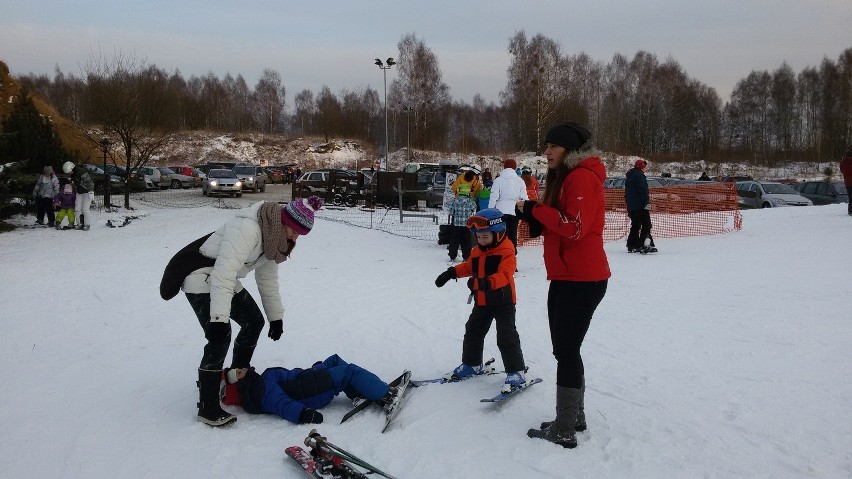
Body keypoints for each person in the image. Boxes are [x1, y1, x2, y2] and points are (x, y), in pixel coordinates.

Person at [159, 196, 324, 427]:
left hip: (222, 277)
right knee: (220, 335)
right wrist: (218, 319)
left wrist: (275, 317)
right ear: (285, 221)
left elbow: (267, 279)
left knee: (254, 321)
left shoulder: (274, 240)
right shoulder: (248, 229)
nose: (295, 238)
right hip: (200, 275)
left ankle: (235, 377)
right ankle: (207, 406)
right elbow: (223, 273)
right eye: (295, 232)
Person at [515, 121, 611, 449]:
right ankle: (574, 417)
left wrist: (535, 209)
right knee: (565, 350)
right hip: (566, 276)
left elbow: (574, 229)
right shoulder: (567, 177)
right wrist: (532, 216)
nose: (546, 152)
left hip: (582, 279)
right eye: (546, 146)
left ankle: (565, 428)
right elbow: (557, 223)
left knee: (567, 351)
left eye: (552, 146)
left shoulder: (582, 176)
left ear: (568, 149)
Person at [434, 208, 528, 394]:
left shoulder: (507, 250)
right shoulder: (477, 251)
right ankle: (471, 364)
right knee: (473, 331)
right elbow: (469, 266)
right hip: (482, 301)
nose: (481, 240)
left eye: (485, 236)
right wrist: (452, 272)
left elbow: (505, 274)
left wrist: (484, 282)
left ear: (499, 233)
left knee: (506, 336)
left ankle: (516, 372)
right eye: (478, 237)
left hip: (503, 301)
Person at [221, 354, 397, 424]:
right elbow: (281, 404)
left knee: (334, 361)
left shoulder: (257, 382)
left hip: (307, 381)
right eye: (238, 372)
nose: (242, 369)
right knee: (347, 371)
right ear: (238, 385)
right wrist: (303, 414)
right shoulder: (258, 389)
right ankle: (386, 394)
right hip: (311, 391)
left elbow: (289, 377)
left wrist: (314, 370)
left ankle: (359, 393)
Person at [488, 159, 528, 253]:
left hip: (500, 212)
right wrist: (525, 211)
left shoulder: (498, 180)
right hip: (515, 211)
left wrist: (490, 211)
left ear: (504, 167)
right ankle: (512, 257)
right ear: (514, 167)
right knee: (513, 235)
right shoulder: (520, 181)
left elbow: (493, 197)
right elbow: (525, 198)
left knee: (501, 235)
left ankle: (502, 255)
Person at [624, 159, 655, 253]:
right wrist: (646, 202)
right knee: (646, 225)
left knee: (636, 225)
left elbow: (628, 192)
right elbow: (642, 190)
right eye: (644, 166)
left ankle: (632, 245)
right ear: (641, 166)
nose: (645, 168)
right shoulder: (639, 175)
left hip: (631, 206)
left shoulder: (630, 176)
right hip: (640, 205)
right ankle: (643, 244)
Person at [445, 183, 478, 263]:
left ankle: (452, 256)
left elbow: (451, 212)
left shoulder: (455, 201)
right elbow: (474, 208)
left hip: (456, 225)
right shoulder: (470, 201)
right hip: (467, 226)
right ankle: (466, 257)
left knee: (454, 241)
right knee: (466, 242)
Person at [62, 162, 94, 230]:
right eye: (68, 173)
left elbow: (89, 182)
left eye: (69, 172)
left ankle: (87, 224)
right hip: (79, 192)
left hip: (87, 192)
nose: (68, 174)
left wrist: (91, 192)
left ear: (72, 168)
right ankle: (80, 223)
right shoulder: (72, 174)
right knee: (77, 208)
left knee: (85, 209)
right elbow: (75, 183)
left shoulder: (82, 172)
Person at [841, 148, 852, 216]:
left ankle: (850, 211)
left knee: (850, 197)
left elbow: (843, 171)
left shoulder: (843, 163)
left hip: (848, 183)